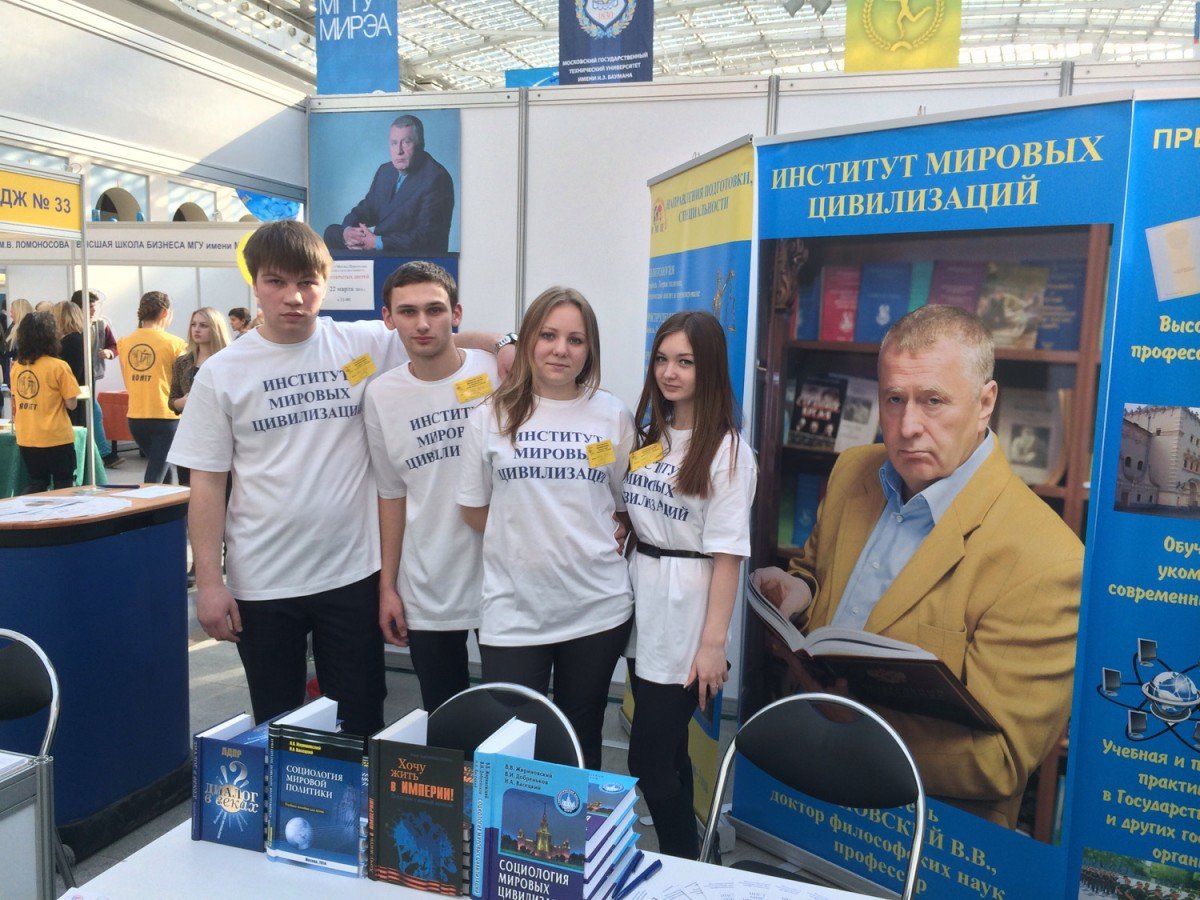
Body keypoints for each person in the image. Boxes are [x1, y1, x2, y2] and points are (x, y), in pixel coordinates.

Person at [167, 220, 505, 738]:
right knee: (279, 723)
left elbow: (442, 336)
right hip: (264, 580)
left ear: (326, 284)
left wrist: (508, 343)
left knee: (361, 718)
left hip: (353, 575)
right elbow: (207, 483)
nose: (294, 297)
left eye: (307, 282)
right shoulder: (222, 372)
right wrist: (210, 583)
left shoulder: (359, 344)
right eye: (277, 282)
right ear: (255, 285)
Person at [752, 304, 1082, 829]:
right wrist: (801, 592)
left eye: (933, 401)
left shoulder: (1048, 560)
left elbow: (1000, 760)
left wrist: (852, 724)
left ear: (985, 403)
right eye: (894, 399)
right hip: (797, 790)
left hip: (920, 835)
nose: (907, 427)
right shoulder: (853, 471)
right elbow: (819, 572)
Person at [457, 287, 634, 770]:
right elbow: (473, 509)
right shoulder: (490, 415)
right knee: (513, 744)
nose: (561, 349)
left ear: (590, 350)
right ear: (529, 339)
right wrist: (526, 536)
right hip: (514, 610)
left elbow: (623, 505)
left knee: (581, 737)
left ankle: (579, 822)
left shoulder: (612, 415)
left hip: (596, 608)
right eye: (549, 335)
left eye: (575, 340)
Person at [623, 311, 756, 859]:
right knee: (671, 751)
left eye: (685, 362)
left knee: (647, 761)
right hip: (643, 603)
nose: (669, 372)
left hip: (687, 615)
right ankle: (700, 855)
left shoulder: (728, 452)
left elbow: (729, 556)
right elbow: (639, 508)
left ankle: (685, 860)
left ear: (711, 369)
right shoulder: (651, 437)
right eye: (662, 359)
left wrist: (712, 645)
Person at [363, 261, 498, 712]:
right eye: (408, 311)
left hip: (503, 581)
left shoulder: (497, 371)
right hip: (427, 585)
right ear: (388, 318)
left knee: (511, 719)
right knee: (446, 718)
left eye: (435, 310)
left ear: (456, 314)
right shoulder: (381, 395)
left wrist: (505, 342)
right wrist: (387, 586)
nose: (422, 323)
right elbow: (391, 494)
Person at [322, 114, 454, 256]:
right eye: (394, 143)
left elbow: (425, 237)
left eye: (406, 142)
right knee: (332, 232)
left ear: (420, 144)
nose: (399, 151)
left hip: (407, 256)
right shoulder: (386, 171)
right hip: (380, 250)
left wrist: (376, 242)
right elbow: (367, 208)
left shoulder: (436, 178)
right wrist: (349, 232)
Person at [117, 291, 186, 484]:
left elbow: (127, 380)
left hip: (136, 417)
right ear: (165, 313)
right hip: (166, 417)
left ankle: (167, 503)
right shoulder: (176, 344)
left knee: (162, 469)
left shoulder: (124, 342)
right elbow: (183, 383)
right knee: (155, 475)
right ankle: (146, 503)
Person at [10, 311, 80, 493]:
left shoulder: (16, 367)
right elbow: (71, 403)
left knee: (37, 483)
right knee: (63, 485)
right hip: (56, 437)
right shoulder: (59, 366)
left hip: (27, 437)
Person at [169, 307, 232, 486]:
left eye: (203, 325)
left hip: (222, 435)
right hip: (190, 436)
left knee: (222, 490)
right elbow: (172, 400)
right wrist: (182, 402)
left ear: (216, 328)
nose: (196, 330)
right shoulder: (182, 362)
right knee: (187, 489)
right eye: (193, 324)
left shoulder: (229, 360)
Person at [69, 290, 120, 466]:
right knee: (93, 412)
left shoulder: (102, 324)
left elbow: (114, 346)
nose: (94, 310)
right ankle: (103, 454)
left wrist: (109, 353)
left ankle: (100, 453)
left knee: (92, 412)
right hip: (77, 376)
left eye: (96, 306)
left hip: (92, 375)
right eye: (90, 307)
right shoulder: (73, 327)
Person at [53, 301, 87, 427]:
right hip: (77, 401)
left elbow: (71, 376)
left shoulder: (71, 342)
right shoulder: (79, 339)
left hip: (72, 405)